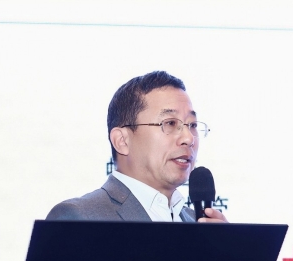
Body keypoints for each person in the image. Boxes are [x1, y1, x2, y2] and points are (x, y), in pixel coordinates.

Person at [46, 71, 228, 223]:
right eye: (170, 123)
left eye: (193, 125)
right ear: (122, 141)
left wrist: (228, 249)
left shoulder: (198, 222)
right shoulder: (79, 218)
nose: (188, 138)